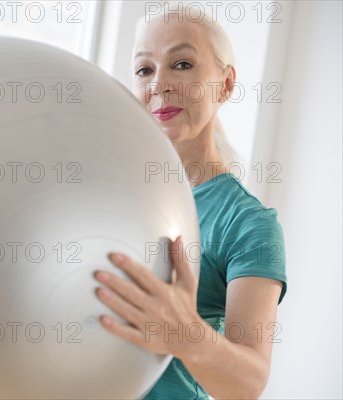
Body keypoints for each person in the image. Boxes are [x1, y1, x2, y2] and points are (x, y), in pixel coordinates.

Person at [92, 3, 288, 399]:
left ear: (226, 84)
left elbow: (249, 383)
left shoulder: (249, 223)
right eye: (145, 69)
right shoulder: (107, 191)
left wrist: (186, 335)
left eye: (182, 64)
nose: (159, 84)